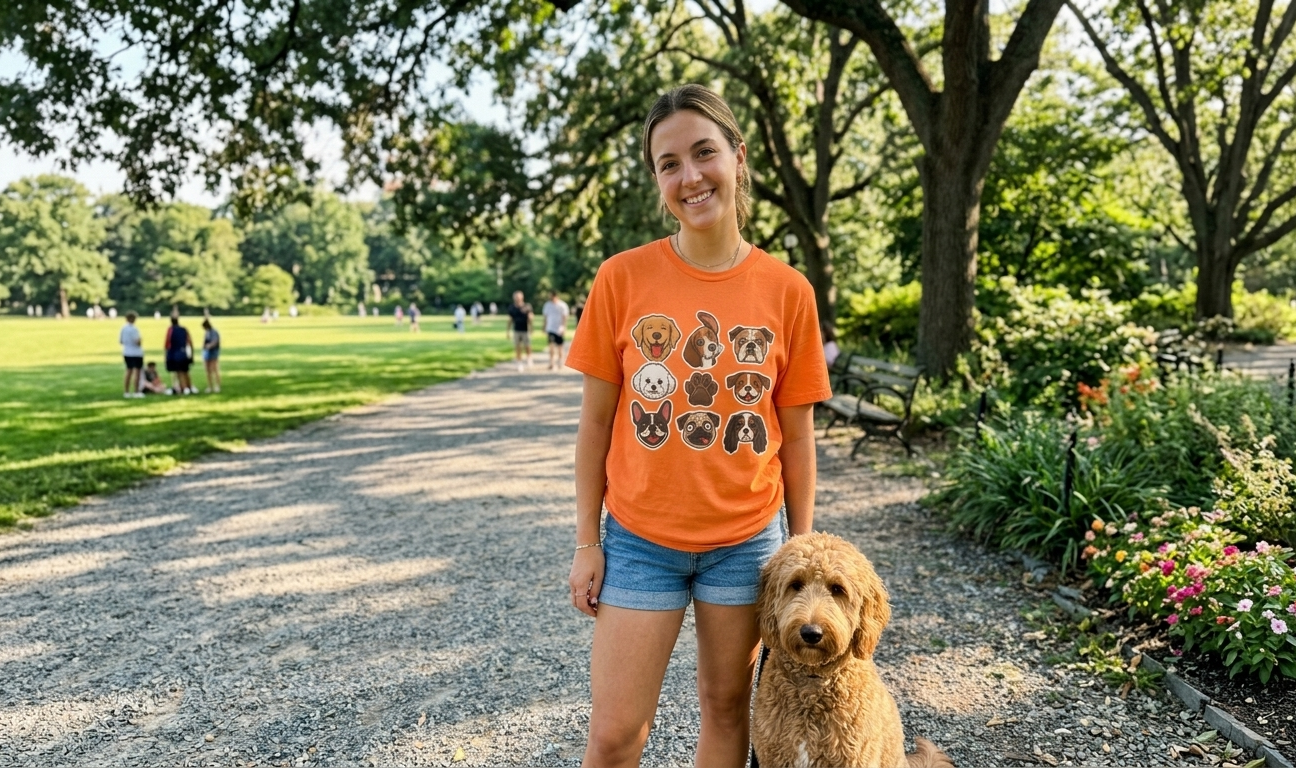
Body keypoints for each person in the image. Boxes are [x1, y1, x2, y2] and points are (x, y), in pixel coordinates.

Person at [564, 84, 831, 768]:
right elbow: (595, 427)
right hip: (639, 542)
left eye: (704, 152)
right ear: (657, 180)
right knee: (616, 734)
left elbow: (795, 437)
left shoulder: (788, 290)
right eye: (669, 163)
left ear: (738, 158)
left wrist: (798, 556)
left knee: (724, 709)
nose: (690, 176)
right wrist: (587, 543)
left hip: (746, 545)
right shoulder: (621, 279)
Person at [164, 315, 195, 394]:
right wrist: (191, 353)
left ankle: (183, 388)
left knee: (179, 372)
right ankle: (189, 387)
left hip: (174, 354)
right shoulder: (183, 329)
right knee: (186, 371)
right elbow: (189, 341)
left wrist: (166, 355)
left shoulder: (170, 330)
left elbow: (167, 343)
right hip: (183, 352)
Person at [542, 290, 570, 370]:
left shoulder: (562, 305)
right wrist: (544, 327)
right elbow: (545, 317)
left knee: (560, 346)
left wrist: (564, 327)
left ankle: (560, 361)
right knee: (551, 346)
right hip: (550, 328)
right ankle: (551, 362)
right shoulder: (547, 305)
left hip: (559, 328)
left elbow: (565, 317)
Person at [119, 311, 145, 398]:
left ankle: (126, 391)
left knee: (128, 371)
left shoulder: (123, 328)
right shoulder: (134, 329)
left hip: (127, 352)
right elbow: (137, 342)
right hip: (136, 353)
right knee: (137, 372)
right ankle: (136, 391)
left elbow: (121, 341)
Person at [507, 291, 533, 372]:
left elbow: (531, 317)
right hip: (516, 330)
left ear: (522, 297)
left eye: (518, 297)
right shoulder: (512, 307)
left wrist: (531, 327)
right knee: (518, 347)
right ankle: (519, 363)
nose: (517, 299)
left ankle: (529, 358)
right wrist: (508, 331)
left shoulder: (527, 306)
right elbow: (510, 320)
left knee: (527, 346)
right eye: (516, 297)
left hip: (525, 329)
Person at [201, 319, 222, 393]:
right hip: (207, 353)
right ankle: (210, 386)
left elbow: (215, 341)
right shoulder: (207, 332)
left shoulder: (214, 332)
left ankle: (217, 385)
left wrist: (209, 346)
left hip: (213, 353)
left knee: (214, 369)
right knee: (208, 371)